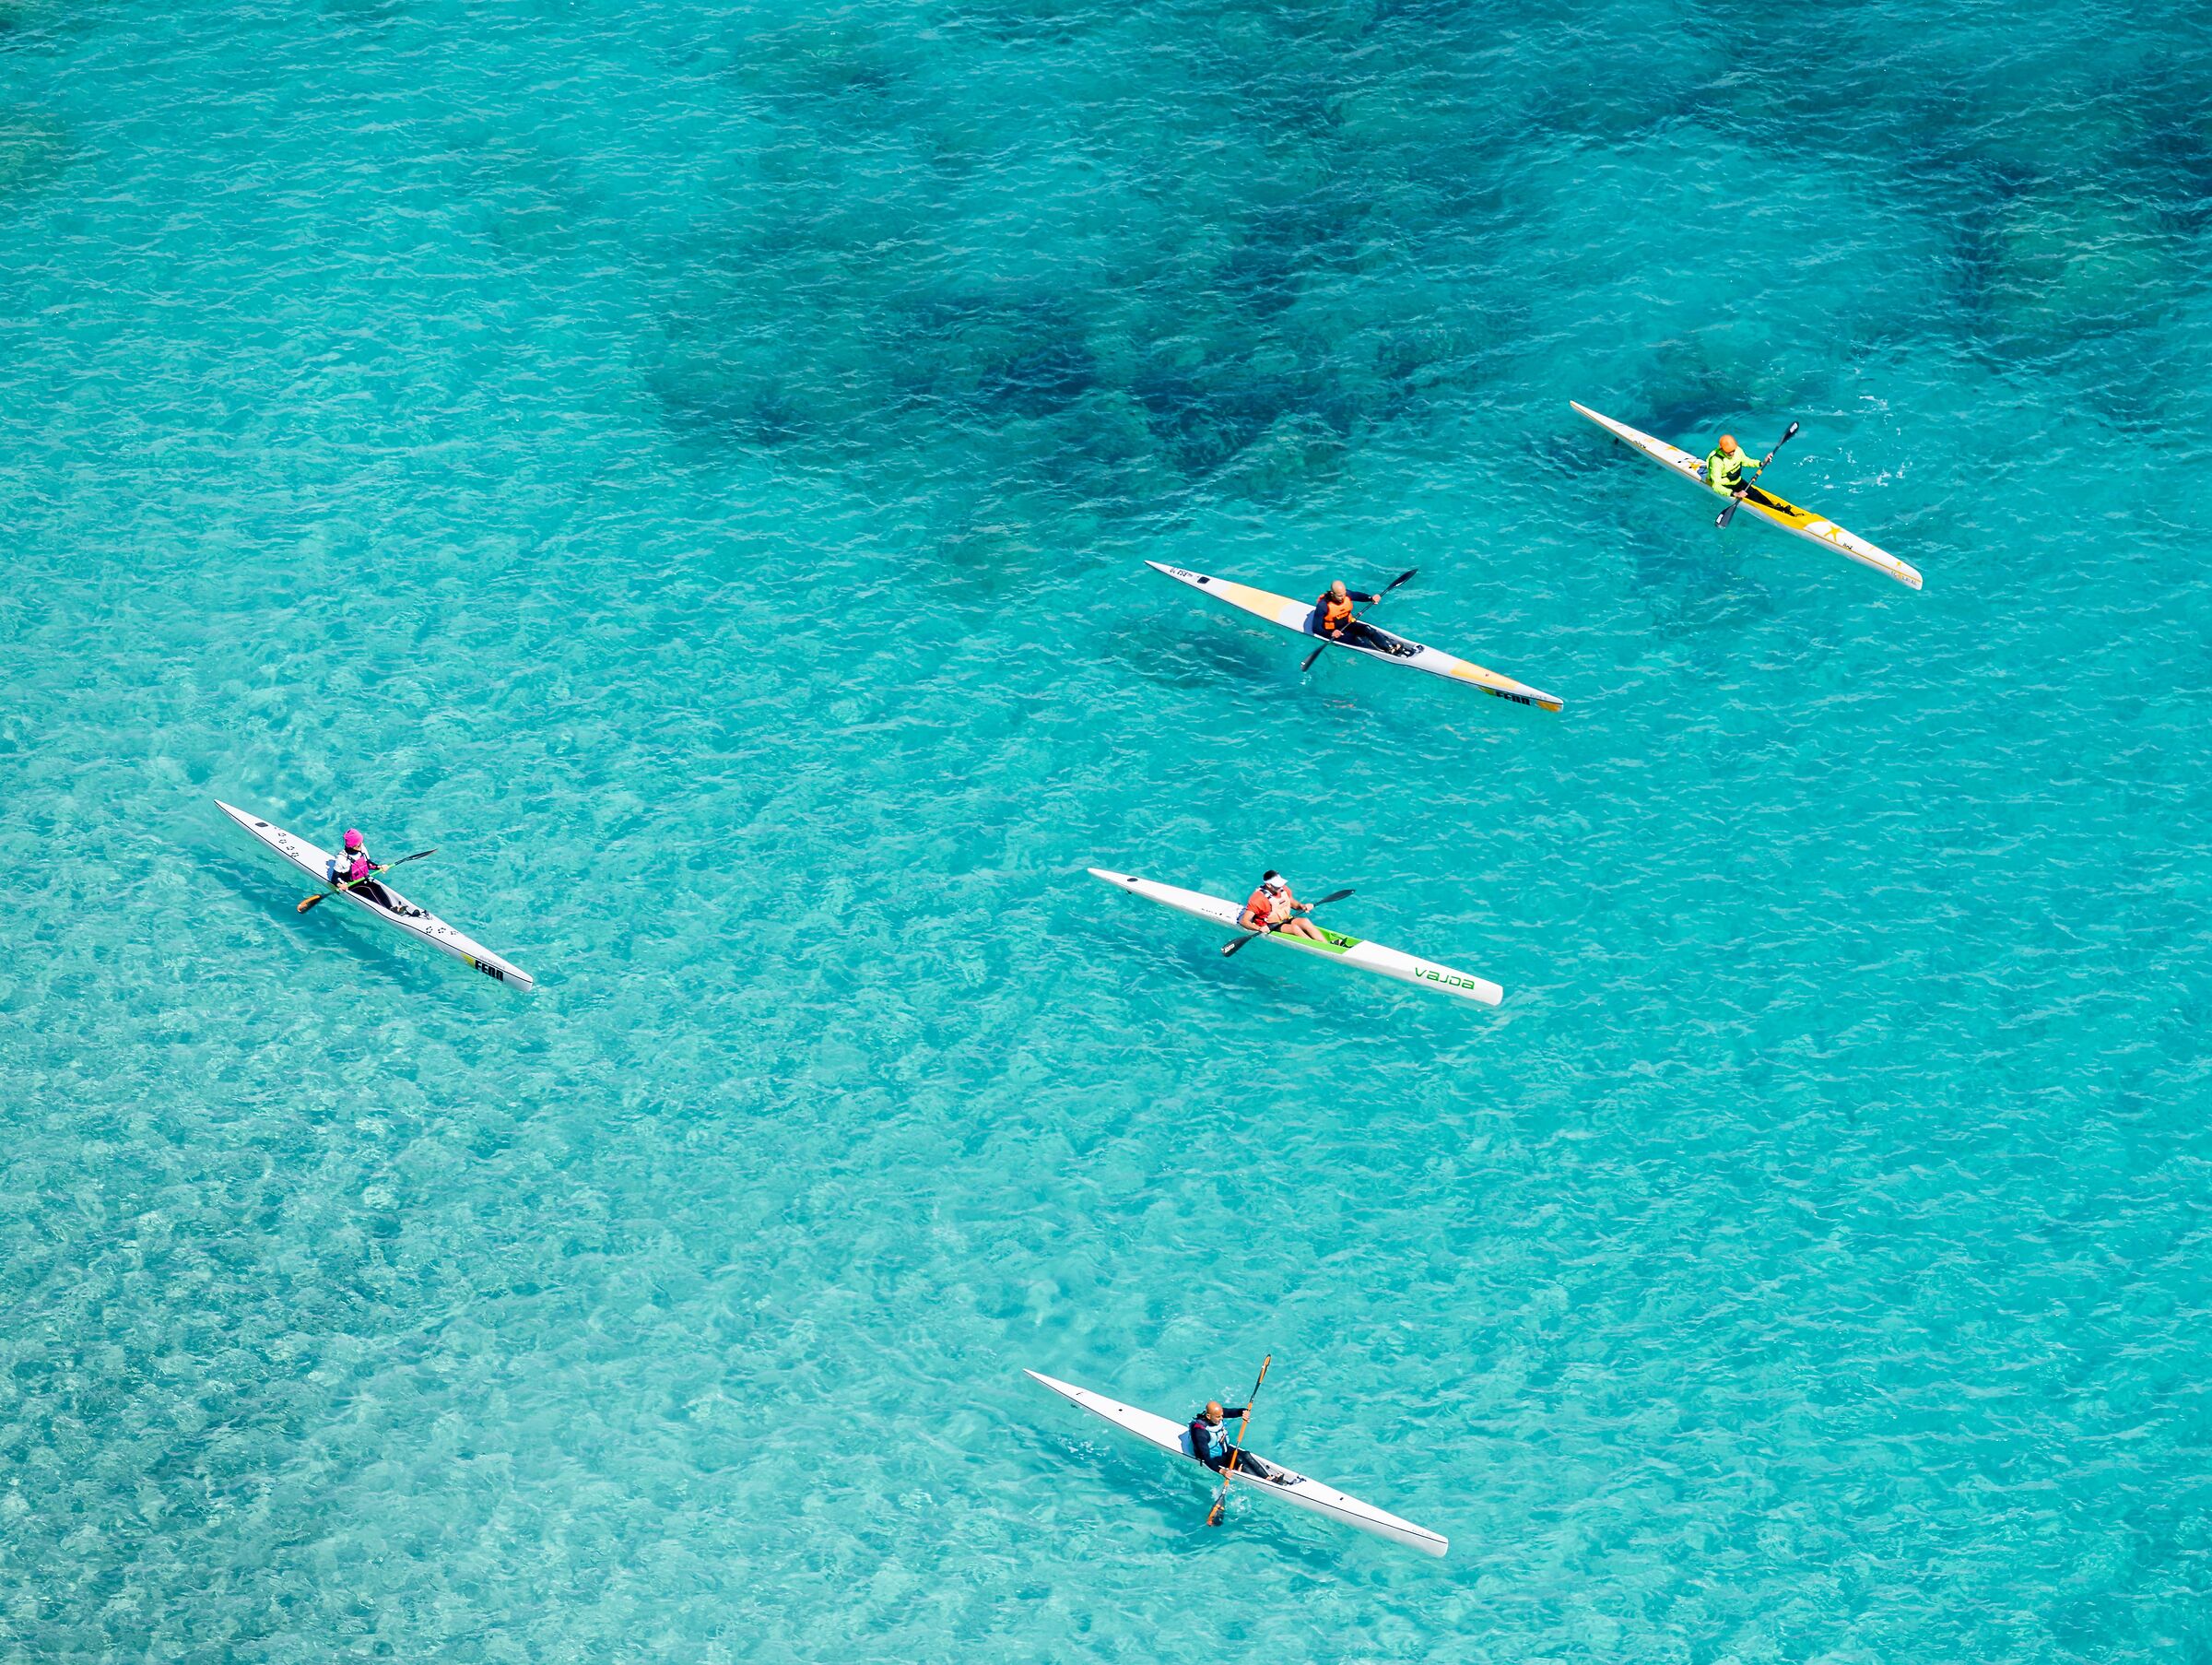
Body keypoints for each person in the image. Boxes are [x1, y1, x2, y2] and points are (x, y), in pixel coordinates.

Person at [326, 829, 421, 917]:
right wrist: (340, 885)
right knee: (369, 890)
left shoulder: (362, 849)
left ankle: (392, 908)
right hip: (351, 885)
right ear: (352, 846)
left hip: (364, 879)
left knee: (377, 887)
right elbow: (334, 878)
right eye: (359, 844)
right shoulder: (342, 858)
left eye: (361, 842)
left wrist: (379, 867)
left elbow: (369, 864)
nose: (361, 844)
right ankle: (391, 912)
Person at [1187, 1400, 1284, 1482]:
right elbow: (1206, 1457)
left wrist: (1243, 1412)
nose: (1221, 1418)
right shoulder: (1200, 1432)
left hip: (1222, 1448)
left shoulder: (1216, 1415)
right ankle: (1266, 1483)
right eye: (1218, 1417)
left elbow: (1233, 1412)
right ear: (1208, 1416)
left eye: (1222, 1415)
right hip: (1213, 1457)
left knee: (1246, 1455)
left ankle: (1267, 1477)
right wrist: (1221, 1471)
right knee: (1239, 1461)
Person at [1312, 580, 1409, 655]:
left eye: (1344, 594)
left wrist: (1370, 598)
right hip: (1334, 631)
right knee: (1358, 639)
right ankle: (1383, 652)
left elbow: (1357, 595)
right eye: (1340, 596)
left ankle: (1389, 647)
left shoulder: (1345, 594)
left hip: (1348, 624)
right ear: (1333, 594)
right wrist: (1331, 634)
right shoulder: (1323, 606)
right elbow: (1316, 628)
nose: (1343, 597)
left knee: (1368, 629)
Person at [1240, 870, 1326, 943]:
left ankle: (1325, 944)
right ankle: (1317, 947)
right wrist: (1259, 928)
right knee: (1294, 929)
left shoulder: (1283, 889)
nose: (1281, 886)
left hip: (1284, 919)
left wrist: (1303, 906)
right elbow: (1244, 921)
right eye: (1278, 884)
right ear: (1268, 885)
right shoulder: (1258, 899)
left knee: (1305, 921)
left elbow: (1292, 903)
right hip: (1269, 925)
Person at [1701, 432, 1763, 502]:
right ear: (1721, 449)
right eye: (1728, 452)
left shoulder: (1738, 450)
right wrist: (1735, 494)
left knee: (1755, 494)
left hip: (1738, 481)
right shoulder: (1716, 461)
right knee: (1755, 500)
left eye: (1733, 451)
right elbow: (1716, 486)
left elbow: (1746, 461)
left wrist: (1761, 463)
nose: (1731, 453)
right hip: (1725, 486)